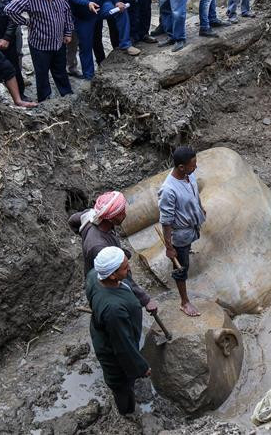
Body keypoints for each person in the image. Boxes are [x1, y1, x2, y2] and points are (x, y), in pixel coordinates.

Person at [85, 246, 152, 415]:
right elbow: (123, 346)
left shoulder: (94, 275)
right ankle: (127, 412)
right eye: (124, 267)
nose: (129, 268)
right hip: (113, 351)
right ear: (112, 275)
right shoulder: (113, 310)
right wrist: (141, 367)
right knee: (122, 385)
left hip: (106, 332)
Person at [68, 191, 157, 311]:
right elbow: (123, 276)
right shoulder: (99, 247)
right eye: (121, 213)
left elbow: (72, 220)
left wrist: (82, 233)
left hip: (105, 271)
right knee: (119, 309)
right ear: (111, 218)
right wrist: (146, 300)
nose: (125, 214)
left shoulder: (91, 216)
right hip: (104, 284)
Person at [4, 0, 74, 101]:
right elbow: (10, 10)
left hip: (58, 41)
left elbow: (66, 11)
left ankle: (67, 95)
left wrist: (68, 32)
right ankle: (44, 100)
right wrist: (26, 22)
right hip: (40, 44)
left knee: (60, 71)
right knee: (42, 74)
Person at [158, 145, 206, 316]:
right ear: (181, 167)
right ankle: (184, 302)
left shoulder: (189, 175)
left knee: (185, 254)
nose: (195, 167)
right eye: (193, 164)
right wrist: (169, 247)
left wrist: (200, 208)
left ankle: (185, 252)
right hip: (180, 234)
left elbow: (194, 194)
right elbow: (166, 221)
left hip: (190, 227)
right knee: (181, 268)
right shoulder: (168, 190)